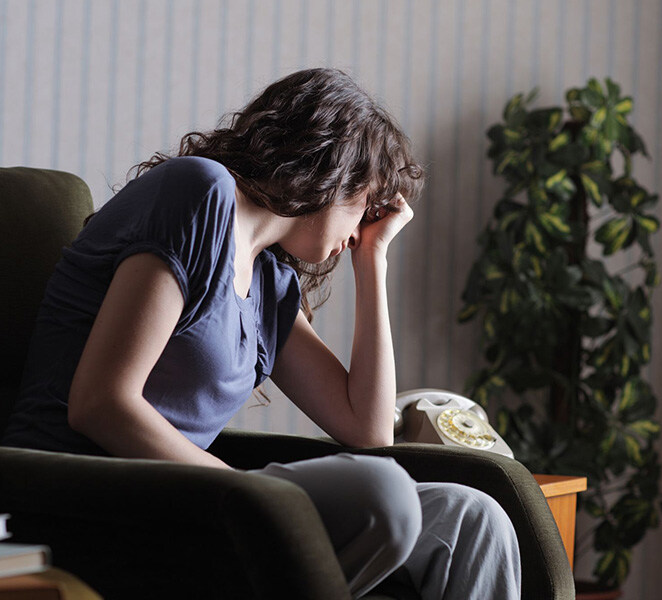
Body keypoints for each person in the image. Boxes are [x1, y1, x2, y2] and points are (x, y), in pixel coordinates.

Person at [2, 68, 521, 599]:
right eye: (367, 203)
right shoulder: (198, 192)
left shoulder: (271, 285)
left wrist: (373, 258)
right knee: (381, 493)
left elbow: (369, 431)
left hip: (196, 502)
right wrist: (248, 492)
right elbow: (100, 403)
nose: (364, 223)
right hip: (79, 498)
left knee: (472, 517)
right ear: (332, 169)